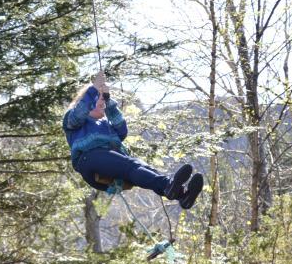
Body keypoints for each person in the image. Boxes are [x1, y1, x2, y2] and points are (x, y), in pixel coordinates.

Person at [62, 79, 203, 209]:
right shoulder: (72, 118)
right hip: (89, 159)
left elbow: (122, 131)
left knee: (142, 167)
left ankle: (182, 195)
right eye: (100, 101)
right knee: (131, 166)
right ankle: (169, 185)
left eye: (104, 103)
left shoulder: (106, 124)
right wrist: (95, 88)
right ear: (88, 102)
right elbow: (79, 114)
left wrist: (109, 102)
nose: (103, 105)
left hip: (108, 162)